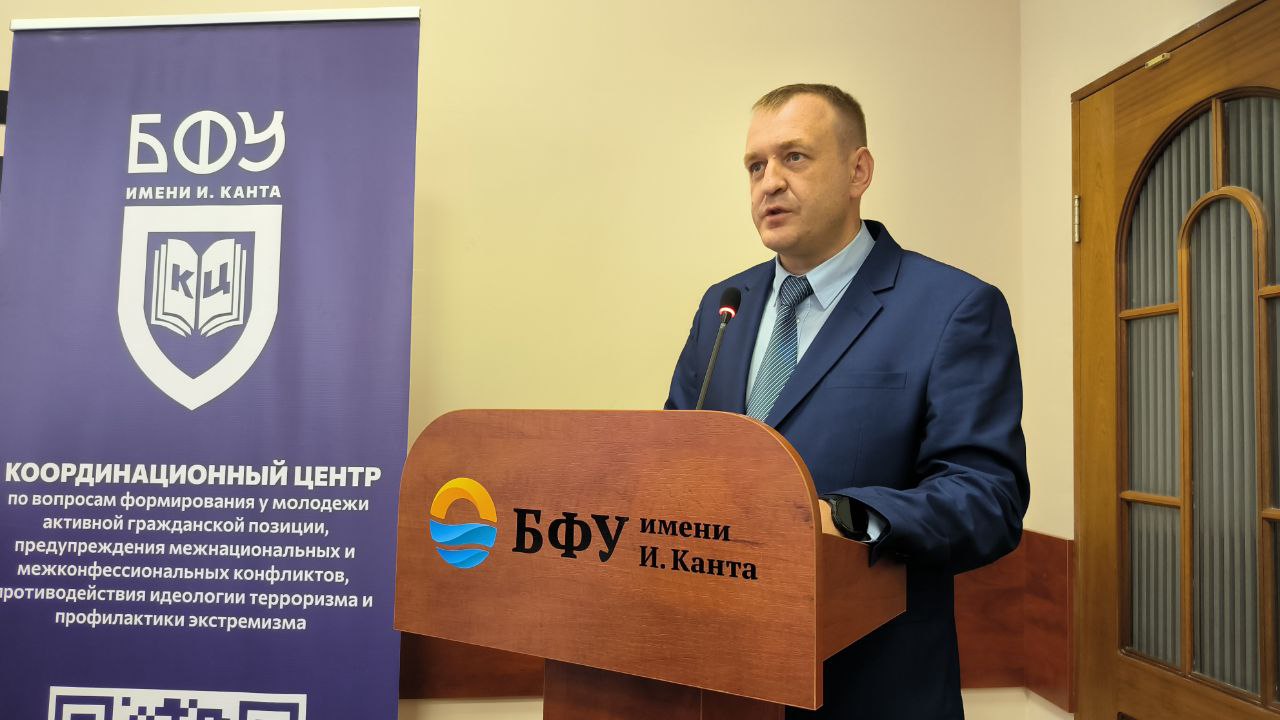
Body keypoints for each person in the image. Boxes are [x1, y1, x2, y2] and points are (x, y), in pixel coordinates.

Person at [665, 84, 1029, 719]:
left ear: (858, 171)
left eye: (794, 157)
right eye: (755, 166)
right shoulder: (725, 305)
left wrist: (856, 517)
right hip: (726, 676)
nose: (769, 183)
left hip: (875, 685)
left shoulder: (953, 307)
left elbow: (988, 497)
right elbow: (675, 454)